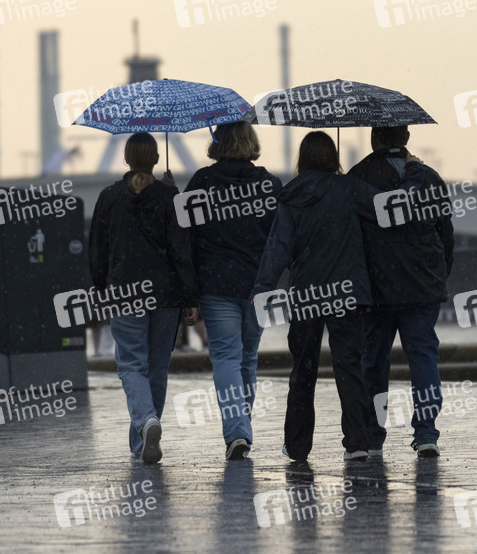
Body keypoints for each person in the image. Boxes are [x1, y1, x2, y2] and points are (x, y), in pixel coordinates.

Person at [252, 131, 377, 462]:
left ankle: (297, 445)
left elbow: (278, 246)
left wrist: (262, 286)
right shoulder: (351, 189)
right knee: (349, 367)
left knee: (303, 369)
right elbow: (385, 208)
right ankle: (357, 442)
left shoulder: (293, 194)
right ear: (333, 157)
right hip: (348, 292)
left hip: (307, 293)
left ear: (303, 158)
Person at [88, 132, 199, 464]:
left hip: (124, 293)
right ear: (155, 159)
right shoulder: (169, 198)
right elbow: (181, 251)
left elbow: (97, 249)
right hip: (165, 295)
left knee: (131, 366)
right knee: (157, 369)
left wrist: (100, 288)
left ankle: (146, 423)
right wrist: (189, 296)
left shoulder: (109, 197)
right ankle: (143, 438)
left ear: (126, 159)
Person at [348, 125, 455, 458]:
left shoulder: (358, 177)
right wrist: (437, 276)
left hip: (376, 290)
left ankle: (373, 436)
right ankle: (426, 433)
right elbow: (446, 236)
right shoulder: (430, 178)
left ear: (374, 138)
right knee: (423, 359)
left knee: (373, 364)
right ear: (406, 138)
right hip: (422, 289)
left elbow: (349, 236)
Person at [184, 121, 281, 460]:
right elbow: (280, 237)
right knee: (248, 357)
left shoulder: (202, 182)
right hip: (258, 284)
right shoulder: (270, 184)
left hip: (216, 284)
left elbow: (187, 235)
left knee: (226, 357)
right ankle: (241, 428)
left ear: (219, 143)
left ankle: (237, 430)